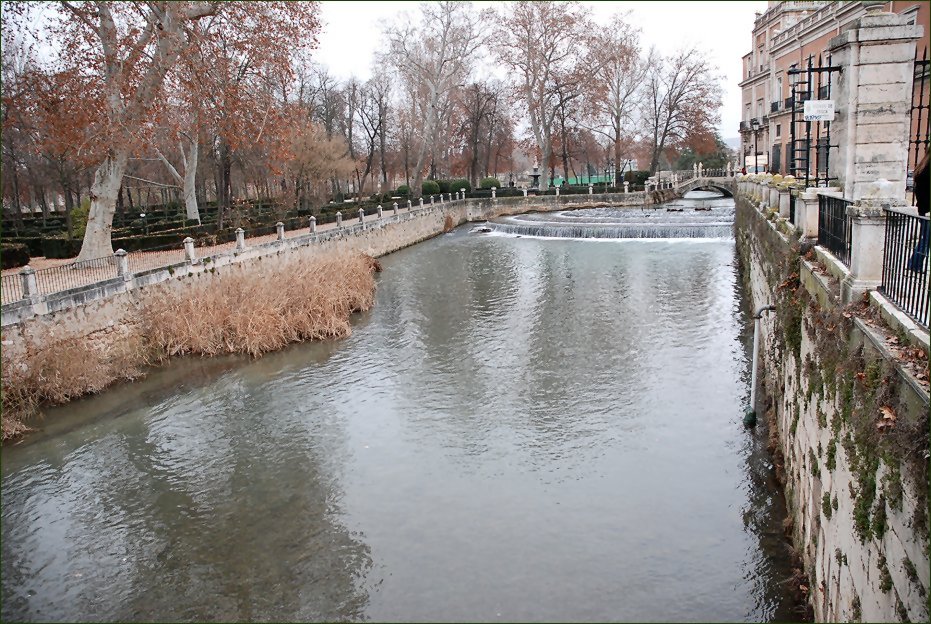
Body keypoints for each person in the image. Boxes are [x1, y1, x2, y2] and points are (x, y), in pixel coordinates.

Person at [909, 151, 929, 273]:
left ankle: (914, 264)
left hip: (923, 209)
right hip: (927, 210)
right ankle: (914, 264)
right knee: (926, 241)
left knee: (925, 239)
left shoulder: (921, 168)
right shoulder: (927, 169)